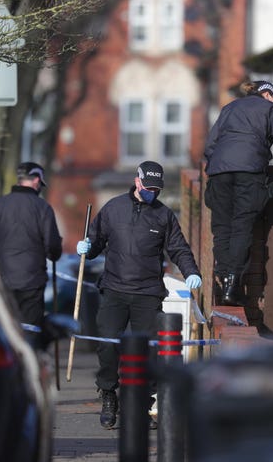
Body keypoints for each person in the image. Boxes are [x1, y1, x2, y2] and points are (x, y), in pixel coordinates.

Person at [76, 160, 202, 430]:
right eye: (148, 188)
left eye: (156, 190)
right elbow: (96, 241)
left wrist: (192, 271)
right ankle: (109, 395)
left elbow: (178, 248)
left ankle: (142, 404)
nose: (151, 194)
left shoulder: (163, 215)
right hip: (114, 290)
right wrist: (86, 246)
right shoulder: (113, 209)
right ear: (137, 182)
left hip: (148, 293)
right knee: (108, 345)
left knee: (147, 351)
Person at [203, 80, 273, 306]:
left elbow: (210, 145)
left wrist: (214, 168)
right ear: (267, 94)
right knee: (242, 226)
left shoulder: (230, 108)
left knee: (222, 226)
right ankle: (232, 285)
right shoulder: (269, 109)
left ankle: (223, 277)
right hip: (249, 171)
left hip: (219, 172)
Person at [0, 162, 63, 329]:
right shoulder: (42, 208)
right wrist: (56, 251)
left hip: (3, 281)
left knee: (6, 329)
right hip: (32, 282)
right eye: (40, 183)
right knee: (30, 330)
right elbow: (52, 248)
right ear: (36, 181)